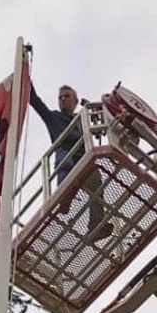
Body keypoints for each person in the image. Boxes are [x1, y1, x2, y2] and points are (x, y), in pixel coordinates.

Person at [29, 82, 111, 237]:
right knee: (65, 160)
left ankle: (96, 226)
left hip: (83, 154)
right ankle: (64, 196)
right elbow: (35, 101)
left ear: (75, 101)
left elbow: (100, 124)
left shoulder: (81, 119)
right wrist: (27, 80)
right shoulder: (53, 117)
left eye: (67, 96)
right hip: (65, 152)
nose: (62, 100)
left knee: (96, 181)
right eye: (60, 97)